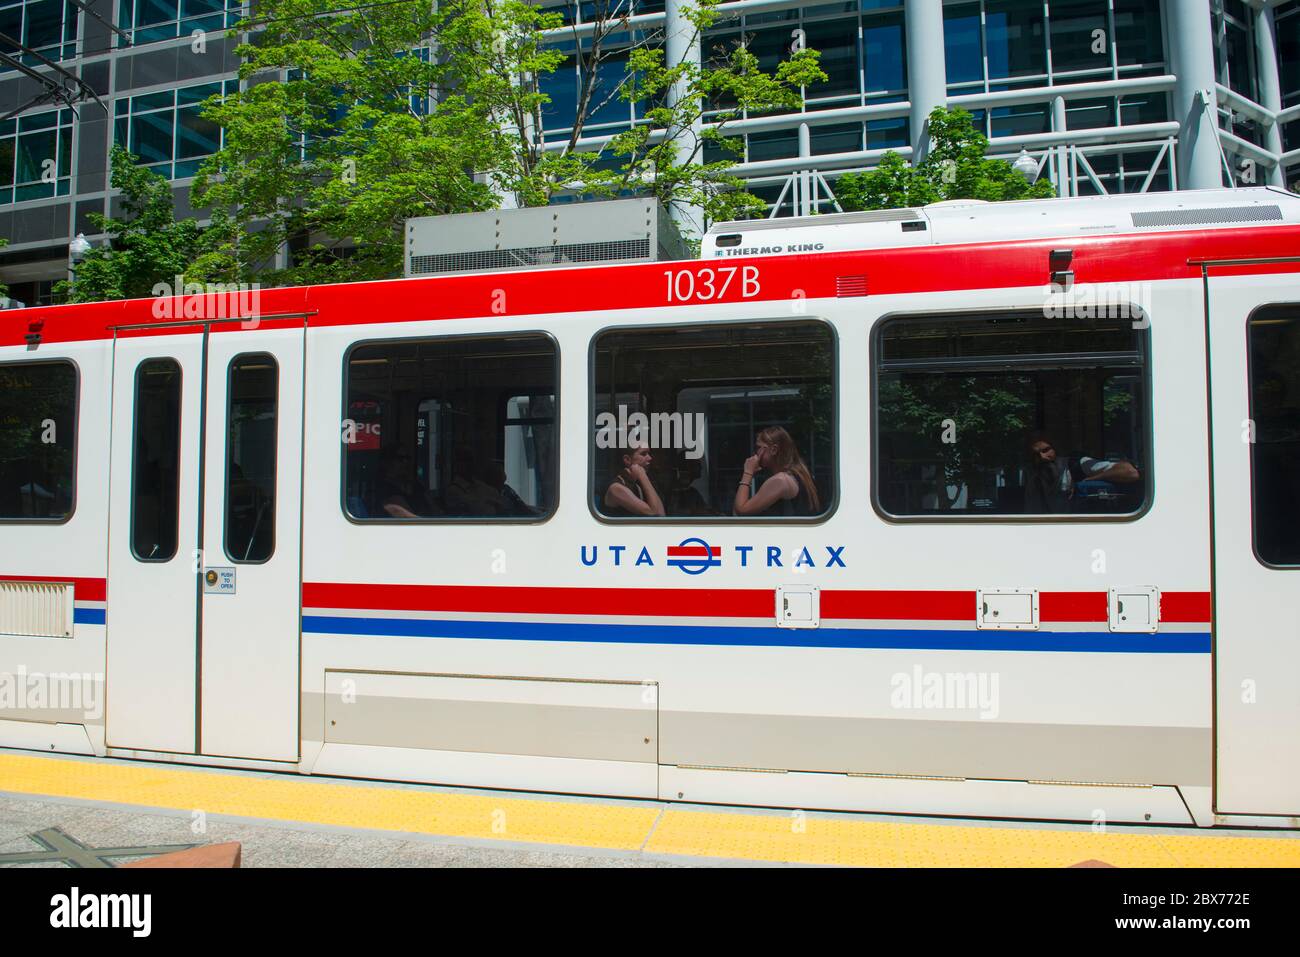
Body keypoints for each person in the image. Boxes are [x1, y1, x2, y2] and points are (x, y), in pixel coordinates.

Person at [1024, 432, 1140, 514]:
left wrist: (1092, 479)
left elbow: (1130, 472)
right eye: (1036, 455)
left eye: (1046, 450)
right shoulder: (1031, 475)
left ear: (1055, 449)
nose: (1043, 457)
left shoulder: (1076, 464)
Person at [733, 426, 821, 517]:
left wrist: (748, 472)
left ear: (774, 450)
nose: (756, 453)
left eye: (759, 448)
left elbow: (741, 510)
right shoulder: (799, 474)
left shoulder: (780, 480)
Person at [604, 446, 666, 516]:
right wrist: (643, 477)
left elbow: (661, 515)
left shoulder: (639, 483)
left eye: (649, 453)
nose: (650, 458)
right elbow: (653, 514)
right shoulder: (616, 488)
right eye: (643, 454)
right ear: (627, 459)